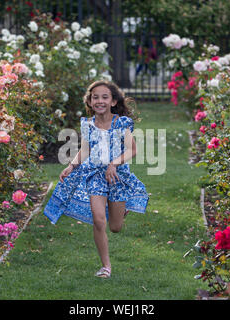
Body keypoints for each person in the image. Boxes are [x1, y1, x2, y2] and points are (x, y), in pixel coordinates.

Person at [43, 80, 149, 278]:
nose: (99, 101)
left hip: (117, 176)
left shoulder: (121, 123)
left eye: (104, 97)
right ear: (90, 102)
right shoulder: (88, 125)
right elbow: (85, 150)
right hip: (94, 176)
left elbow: (132, 150)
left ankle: (121, 210)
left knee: (115, 227)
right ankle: (106, 267)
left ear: (113, 101)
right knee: (99, 220)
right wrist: (71, 165)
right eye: (95, 97)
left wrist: (114, 164)